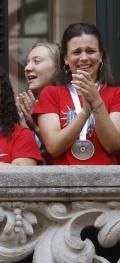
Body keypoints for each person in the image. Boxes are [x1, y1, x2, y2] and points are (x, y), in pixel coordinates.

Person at [34, 23, 120, 165]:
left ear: (100, 56)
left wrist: (96, 101)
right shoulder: (51, 94)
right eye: (77, 52)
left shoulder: (116, 94)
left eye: (91, 51)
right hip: (63, 183)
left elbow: (114, 146)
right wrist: (85, 112)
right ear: (66, 59)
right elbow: (54, 147)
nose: (84, 58)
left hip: (107, 183)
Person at [16, 40, 60, 131]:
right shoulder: (24, 108)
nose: (27, 68)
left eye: (37, 61)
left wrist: (35, 126)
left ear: (57, 67)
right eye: (27, 63)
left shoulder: (70, 105)